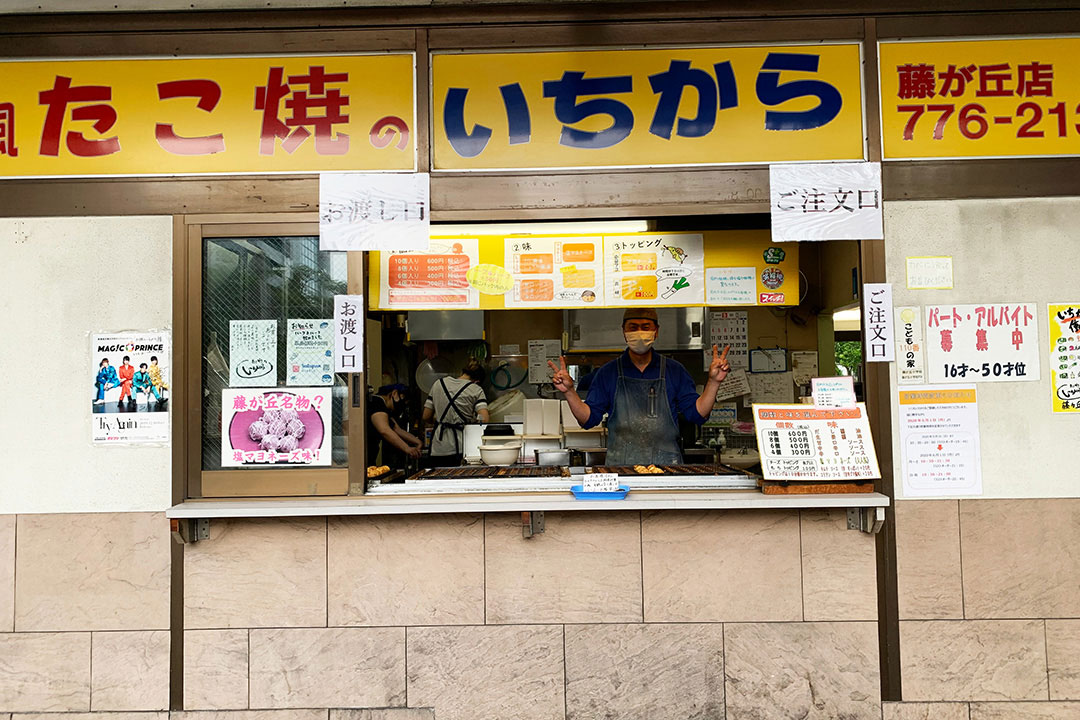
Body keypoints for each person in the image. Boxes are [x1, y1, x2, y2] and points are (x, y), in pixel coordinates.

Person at [548, 308, 730, 466]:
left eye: (646, 327)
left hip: (668, 467)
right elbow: (587, 420)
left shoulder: (675, 371)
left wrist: (714, 383)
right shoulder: (608, 373)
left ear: (656, 331)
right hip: (620, 467)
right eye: (633, 328)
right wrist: (570, 392)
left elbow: (697, 414)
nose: (640, 333)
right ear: (624, 332)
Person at [422, 358, 490, 467]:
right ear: (477, 381)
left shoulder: (438, 384)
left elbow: (426, 416)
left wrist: (439, 420)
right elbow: (484, 419)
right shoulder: (476, 389)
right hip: (462, 447)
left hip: (438, 447)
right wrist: (475, 421)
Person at [367, 383, 422, 470]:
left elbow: (396, 429)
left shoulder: (383, 407)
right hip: (364, 457)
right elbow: (384, 430)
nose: (402, 406)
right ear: (394, 394)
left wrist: (418, 442)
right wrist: (407, 449)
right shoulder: (377, 403)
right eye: (403, 401)